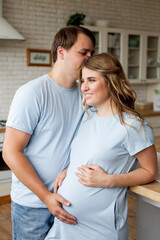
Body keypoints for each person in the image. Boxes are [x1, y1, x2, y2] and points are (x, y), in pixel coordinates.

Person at [45, 53, 158, 240]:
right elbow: (87, 154)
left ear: (111, 82)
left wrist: (107, 180)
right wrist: (68, 170)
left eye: (91, 80)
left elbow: (150, 171)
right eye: (82, 80)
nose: (84, 87)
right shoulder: (88, 117)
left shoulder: (132, 125)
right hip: (65, 225)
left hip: (100, 228)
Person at [2, 26, 95, 240]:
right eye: (83, 53)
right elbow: (10, 152)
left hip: (69, 201)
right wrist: (46, 197)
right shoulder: (33, 93)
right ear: (61, 52)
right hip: (33, 205)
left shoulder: (85, 96)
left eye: (92, 53)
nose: (89, 59)